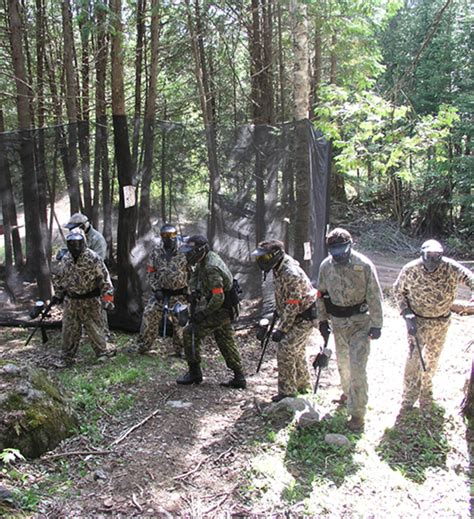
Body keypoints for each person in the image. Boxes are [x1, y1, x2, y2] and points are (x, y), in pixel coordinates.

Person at [393, 239, 474, 412]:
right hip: (418, 321)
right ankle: (408, 397)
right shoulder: (411, 269)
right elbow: (398, 291)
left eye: (436, 257)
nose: (432, 260)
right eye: (429, 256)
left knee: (432, 358)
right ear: (422, 254)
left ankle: (426, 389)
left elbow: (470, 278)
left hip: (441, 322)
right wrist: (406, 313)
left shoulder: (450, 268)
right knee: (414, 358)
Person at [316, 227, 383, 432]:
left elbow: (374, 295)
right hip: (338, 323)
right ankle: (347, 393)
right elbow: (321, 294)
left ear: (350, 245)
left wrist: (377, 324)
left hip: (360, 323)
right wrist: (322, 320)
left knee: (357, 368)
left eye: (341, 249)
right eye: (334, 249)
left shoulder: (363, 265)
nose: (338, 254)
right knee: (343, 364)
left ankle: (357, 414)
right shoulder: (326, 266)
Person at [176, 235, 246, 389]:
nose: (188, 255)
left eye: (190, 252)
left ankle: (194, 372)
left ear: (200, 250)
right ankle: (239, 376)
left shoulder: (211, 267)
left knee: (190, 332)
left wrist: (203, 314)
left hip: (222, 308)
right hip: (223, 307)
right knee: (225, 339)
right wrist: (194, 291)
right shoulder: (204, 260)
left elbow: (218, 297)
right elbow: (195, 277)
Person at [252, 240, 318, 402]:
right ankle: (304, 387)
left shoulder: (290, 272)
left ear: (275, 255)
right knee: (298, 352)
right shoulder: (279, 268)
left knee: (286, 348)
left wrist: (282, 329)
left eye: (265, 256)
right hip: (295, 315)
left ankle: (287, 393)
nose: (262, 260)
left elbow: (293, 304)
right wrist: (278, 312)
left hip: (303, 317)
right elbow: (285, 296)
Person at [52, 230, 116, 366]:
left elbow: (104, 279)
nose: (75, 247)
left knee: (95, 329)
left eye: (78, 244)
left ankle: (103, 352)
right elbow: (59, 278)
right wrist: (58, 295)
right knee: (69, 331)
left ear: (83, 243)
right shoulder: (66, 259)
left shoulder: (93, 258)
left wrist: (108, 299)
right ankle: (67, 357)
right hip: (72, 301)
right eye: (72, 244)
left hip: (90, 301)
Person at [134, 224, 189, 356]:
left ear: (176, 236)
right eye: (164, 236)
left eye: (171, 236)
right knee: (149, 314)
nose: (168, 239)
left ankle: (181, 350)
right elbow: (151, 272)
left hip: (180, 294)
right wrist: (156, 289)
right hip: (161, 294)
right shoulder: (156, 251)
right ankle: (143, 346)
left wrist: (191, 292)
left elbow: (193, 273)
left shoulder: (185, 251)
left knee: (181, 323)